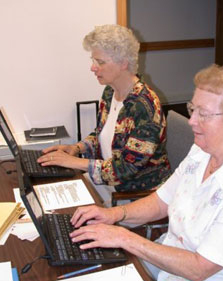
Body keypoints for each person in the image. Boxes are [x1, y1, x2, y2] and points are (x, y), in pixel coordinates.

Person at [69, 64, 223, 281]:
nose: (191, 121)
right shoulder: (201, 152)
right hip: (169, 264)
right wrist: (114, 215)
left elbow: (199, 269)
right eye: (193, 109)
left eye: (204, 114)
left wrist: (124, 237)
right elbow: (162, 201)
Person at [37, 24, 171, 206]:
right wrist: (76, 149)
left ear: (124, 63)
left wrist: (76, 162)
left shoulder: (144, 106)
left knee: (67, 213)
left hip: (135, 195)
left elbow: (127, 167)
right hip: (108, 183)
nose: (93, 67)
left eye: (100, 62)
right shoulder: (110, 92)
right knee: (48, 195)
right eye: (93, 60)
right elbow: (101, 135)